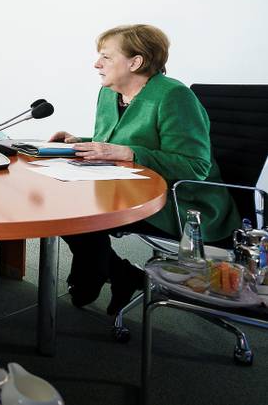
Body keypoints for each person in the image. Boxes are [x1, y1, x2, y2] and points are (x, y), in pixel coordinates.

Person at [51, 24, 238, 315]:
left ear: (135, 62)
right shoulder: (109, 93)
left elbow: (195, 166)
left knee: (78, 214)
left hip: (182, 201)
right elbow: (114, 141)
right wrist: (80, 142)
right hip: (123, 188)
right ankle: (119, 273)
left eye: (106, 57)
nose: (96, 64)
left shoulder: (174, 96)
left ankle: (101, 272)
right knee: (59, 202)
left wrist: (129, 153)